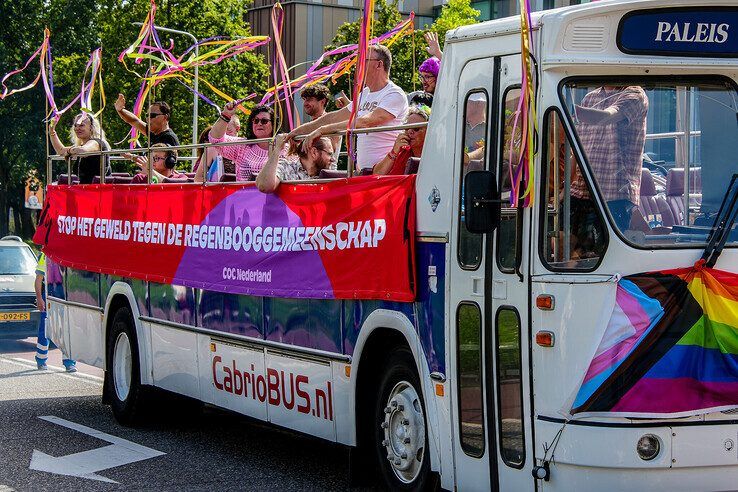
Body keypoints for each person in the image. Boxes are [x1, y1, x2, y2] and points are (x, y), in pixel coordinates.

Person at [288, 45, 408, 171]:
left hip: (388, 171)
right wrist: (298, 131)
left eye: (363, 60)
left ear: (379, 65)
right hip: (366, 172)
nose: (357, 65)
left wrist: (322, 130)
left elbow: (365, 122)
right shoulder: (364, 94)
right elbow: (333, 117)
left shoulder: (394, 94)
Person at [574, 86, 649, 231]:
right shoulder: (590, 97)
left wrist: (565, 107)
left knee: (607, 247)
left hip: (614, 191)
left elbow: (606, 116)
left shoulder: (635, 94)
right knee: (570, 243)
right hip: (583, 187)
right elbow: (578, 145)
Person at [210, 102, 276, 181]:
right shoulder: (242, 145)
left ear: (274, 124)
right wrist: (226, 114)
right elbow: (216, 140)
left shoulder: (283, 147)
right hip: (244, 192)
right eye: (256, 120)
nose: (259, 124)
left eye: (264, 121)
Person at [35, 252, 76, 372]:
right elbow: (38, 279)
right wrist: (39, 298)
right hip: (49, 294)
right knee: (45, 329)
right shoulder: (45, 255)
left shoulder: (69, 252)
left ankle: (69, 363)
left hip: (64, 295)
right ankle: (41, 360)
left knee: (67, 330)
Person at [256, 133, 335, 193]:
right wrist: (277, 149)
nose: (333, 159)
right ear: (314, 152)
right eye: (330, 154)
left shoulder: (328, 174)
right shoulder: (286, 166)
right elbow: (264, 186)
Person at [49, 113, 111, 184]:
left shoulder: (96, 142)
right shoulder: (81, 146)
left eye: (81, 125)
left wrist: (69, 152)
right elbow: (61, 151)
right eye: (75, 126)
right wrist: (52, 130)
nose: (77, 128)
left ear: (91, 127)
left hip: (97, 190)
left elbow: (83, 151)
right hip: (85, 189)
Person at [373, 105, 430, 175]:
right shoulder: (402, 151)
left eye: (416, 128)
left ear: (428, 131)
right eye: (407, 127)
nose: (410, 131)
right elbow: (377, 174)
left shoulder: (435, 154)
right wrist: (394, 151)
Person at [114, 94, 179, 147]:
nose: (148, 118)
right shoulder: (154, 133)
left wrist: (135, 158)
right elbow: (134, 121)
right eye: (147, 115)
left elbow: (165, 162)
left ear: (165, 117)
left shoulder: (169, 137)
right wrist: (120, 110)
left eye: (152, 115)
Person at [301, 84, 342, 162]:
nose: (305, 103)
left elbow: (329, 152)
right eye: (305, 99)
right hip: (305, 171)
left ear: (322, 102)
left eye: (309, 99)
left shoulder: (332, 122)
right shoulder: (307, 126)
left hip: (324, 171)